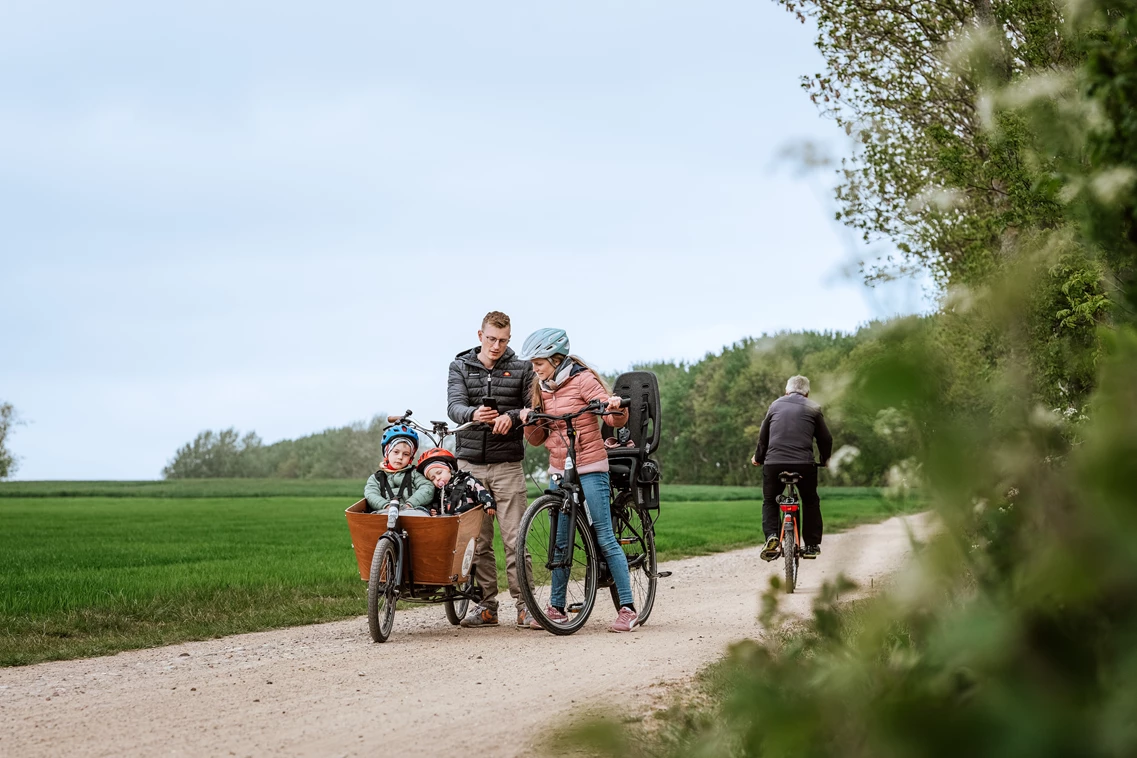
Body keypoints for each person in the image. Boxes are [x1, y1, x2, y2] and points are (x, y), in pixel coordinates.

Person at [517, 327, 640, 633]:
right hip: (560, 468)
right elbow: (537, 438)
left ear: (555, 358)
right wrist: (527, 421)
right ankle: (556, 608)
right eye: (533, 363)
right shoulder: (541, 388)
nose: (535, 368)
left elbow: (611, 417)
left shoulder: (583, 379)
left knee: (603, 534)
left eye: (539, 361)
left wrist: (615, 408)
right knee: (559, 542)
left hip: (590, 464)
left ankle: (628, 607)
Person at [446, 311, 536, 628]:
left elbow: (533, 408)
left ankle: (526, 607)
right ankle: (486, 607)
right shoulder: (459, 366)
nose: (496, 346)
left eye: (503, 340)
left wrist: (511, 417)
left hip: (508, 464)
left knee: (516, 540)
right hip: (469, 465)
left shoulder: (523, 368)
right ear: (480, 335)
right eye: (491, 339)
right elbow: (454, 407)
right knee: (479, 543)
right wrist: (474, 413)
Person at [751, 375, 833, 561]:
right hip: (804, 465)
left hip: (774, 463)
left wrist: (758, 458)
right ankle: (811, 544)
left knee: (771, 501)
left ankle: (772, 536)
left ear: (786, 391)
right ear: (807, 393)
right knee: (810, 500)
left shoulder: (775, 405)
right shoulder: (813, 407)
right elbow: (826, 439)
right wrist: (825, 459)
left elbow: (763, 437)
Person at [363, 424, 435, 516]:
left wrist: (410, 504)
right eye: (396, 452)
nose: (400, 457)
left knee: (421, 516)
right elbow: (371, 494)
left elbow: (427, 488)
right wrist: (386, 506)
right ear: (387, 453)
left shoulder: (415, 474)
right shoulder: (376, 478)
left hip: (413, 511)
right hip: (385, 512)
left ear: (411, 457)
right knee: (376, 520)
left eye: (406, 454)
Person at [416, 447, 498, 516]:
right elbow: (436, 504)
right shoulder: (438, 492)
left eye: (439, 473)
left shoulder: (466, 480)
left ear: (449, 469)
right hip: (450, 524)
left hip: (468, 519)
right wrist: (433, 510)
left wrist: (489, 504)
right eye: (432, 478)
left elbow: (480, 491)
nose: (437, 478)